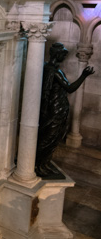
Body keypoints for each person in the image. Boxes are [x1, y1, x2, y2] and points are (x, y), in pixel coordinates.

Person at [35, 42, 94, 177]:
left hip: (56, 108)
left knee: (52, 138)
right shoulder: (54, 72)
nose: (65, 56)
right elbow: (70, 88)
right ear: (57, 54)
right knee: (49, 138)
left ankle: (43, 164)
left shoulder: (47, 67)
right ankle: (39, 165)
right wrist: (83, 75)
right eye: (63, 54)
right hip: (55, 110)